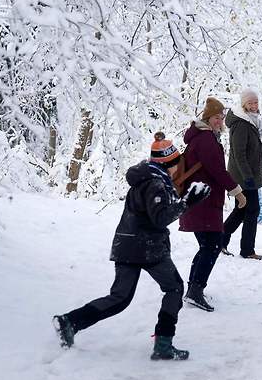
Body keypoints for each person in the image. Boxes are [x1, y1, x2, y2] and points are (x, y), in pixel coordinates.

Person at [52, 132, 211, 360]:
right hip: (147, 248)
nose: (179, 168)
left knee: (119, 298)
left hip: (126, 245)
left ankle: (70, 321)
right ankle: (163, 345)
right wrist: (188, 202)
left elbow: (152, 213)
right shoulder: (156, 183)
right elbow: (160, 217)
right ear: (169, 164)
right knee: (174, 288)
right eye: (177, 163)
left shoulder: (145, 179)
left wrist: (182, 200)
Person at [179, 97, 247, 312]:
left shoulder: (200, 137)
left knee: (207, 246)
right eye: (217, 117)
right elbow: (218, 170)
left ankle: (193, 289)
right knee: (213, 246)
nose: (221, 121)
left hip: (200, 200)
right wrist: (237, 192)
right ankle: (195, 291)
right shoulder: (206, 139)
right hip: (204, 202)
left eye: (222, 117)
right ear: (208, 118)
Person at [220, 89, 262, 260]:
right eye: (250, 103)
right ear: (243, 105)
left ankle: (221, 240)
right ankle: (247, 250)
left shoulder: (250, 121)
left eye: (256, 102)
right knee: (251, 210)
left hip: (246, 174)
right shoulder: (241, 123)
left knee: (242, 209)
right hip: (244, 176)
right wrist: (248, 176)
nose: (254, 105)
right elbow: (238, 153)